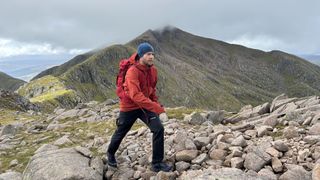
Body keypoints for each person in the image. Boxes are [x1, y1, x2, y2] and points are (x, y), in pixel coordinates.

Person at [107, 42, 172, 172]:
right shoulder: (132, 72)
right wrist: (157, 109)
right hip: (129, 106)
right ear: (141, 55)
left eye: (153, 54)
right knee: (121, 132)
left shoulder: (153, 70)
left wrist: (157, 106)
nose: (152, 57)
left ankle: (157, 163)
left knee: (158, 129)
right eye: (148, 54)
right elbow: (135, 95)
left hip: (144, 105)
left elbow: (151, 90)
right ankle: (110, 153)